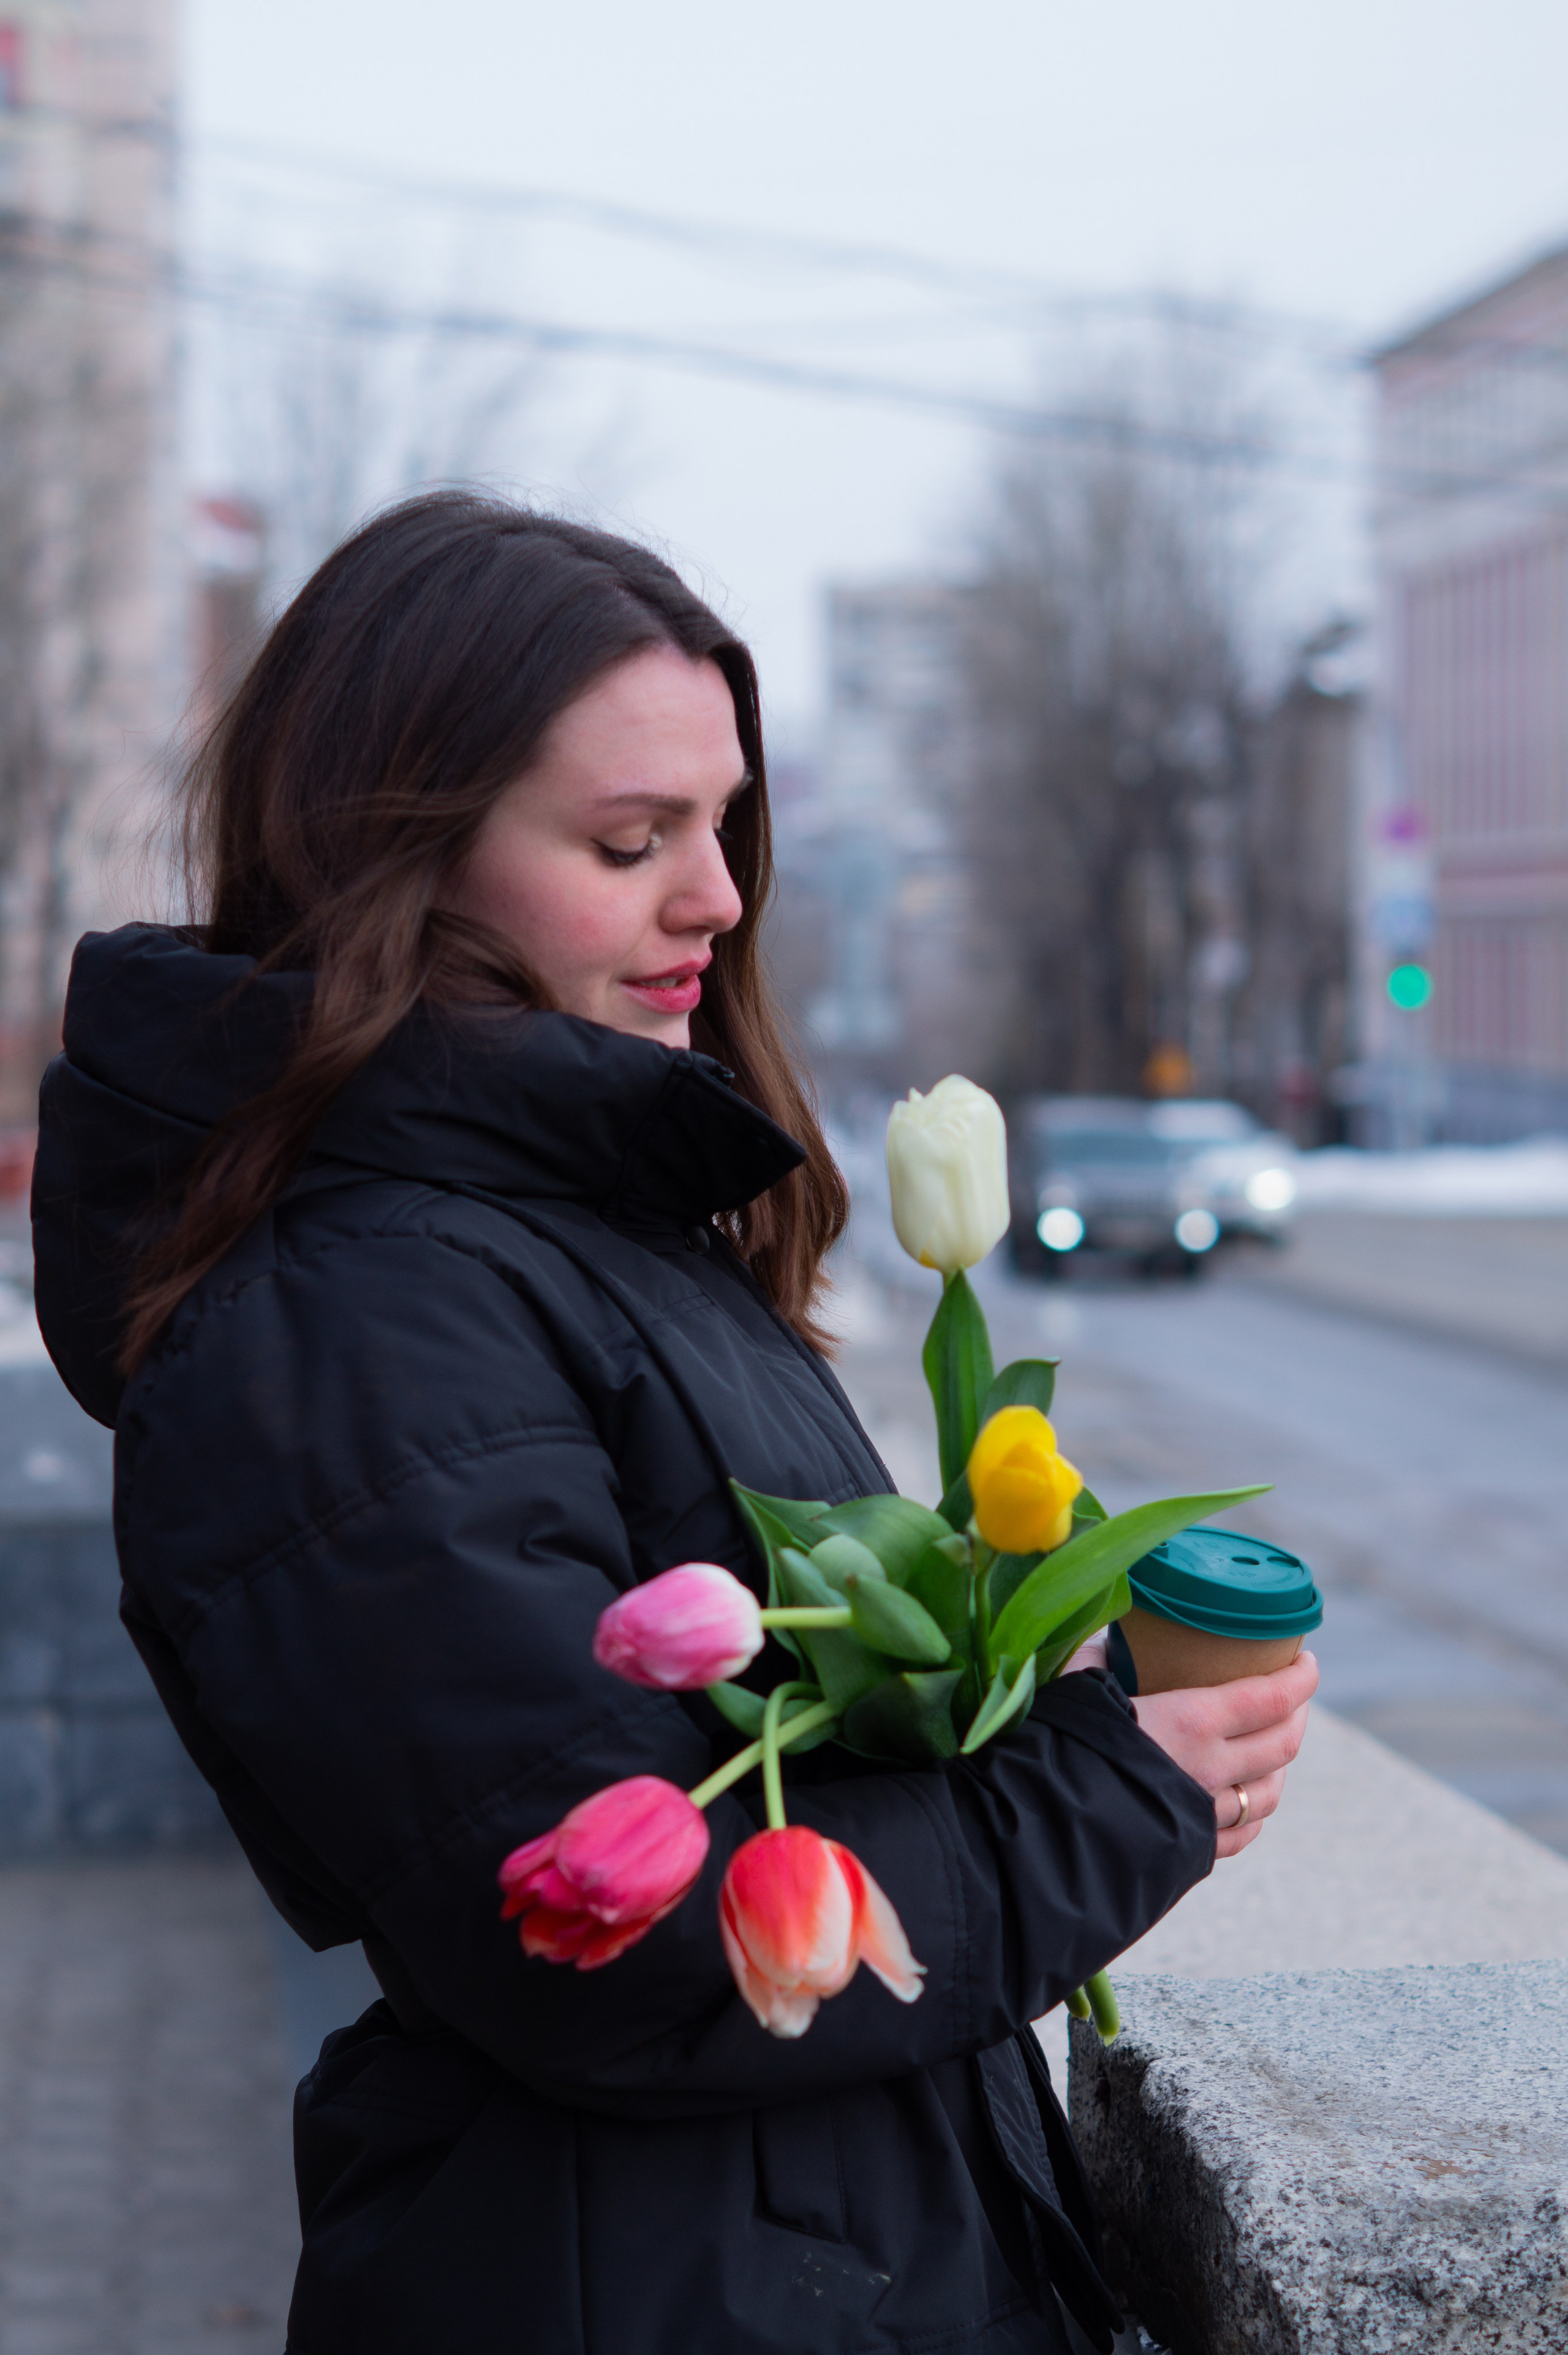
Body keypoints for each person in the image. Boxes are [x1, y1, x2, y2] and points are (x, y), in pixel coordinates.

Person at [31, 494, 1314, 2355]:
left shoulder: (572, 1218)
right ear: (401, 855)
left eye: (722, 825)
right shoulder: (351, 1319)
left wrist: (1035, 1689)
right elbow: (609, 1945)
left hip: (761, 2249)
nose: (715, 896)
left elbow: (704, 1717)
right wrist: (1119, 1805)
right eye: (631, 839)